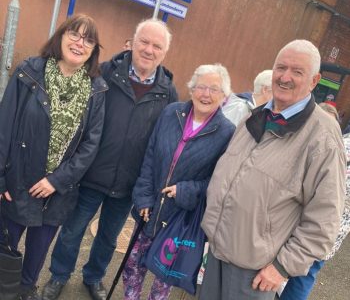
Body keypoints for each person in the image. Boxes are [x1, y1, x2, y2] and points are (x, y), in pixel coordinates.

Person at [42, 18, 178, 300]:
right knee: (72, 231)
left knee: (107, 237)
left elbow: (166, 142)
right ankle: (58, 275)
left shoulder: (168, 92)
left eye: (157, 46)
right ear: (132, 42)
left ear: (164, 53)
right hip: (90, 175)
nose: (149, 50)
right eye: (144, 42)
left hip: (128, 183)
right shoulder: (104, 73)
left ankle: (93, 277)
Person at [200, 39, 346, 300]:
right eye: (281, 68)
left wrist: (283, 267)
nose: (285, 77)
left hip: (256, 273)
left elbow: (325, 218)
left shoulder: (322, 137)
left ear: (314, 81)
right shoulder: (255, 116)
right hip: (218, 252)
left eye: (297, 72)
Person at [0, 14, 107, 300]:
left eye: (88, 39)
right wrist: (1, 180)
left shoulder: (96, 91)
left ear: (93, 50)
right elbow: (4, 127)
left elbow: (90, 146)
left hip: (57, 193)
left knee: (37, 256)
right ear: (60, 36)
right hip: (18, 182)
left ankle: (25, 291)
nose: (79, 43)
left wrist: (56, 181)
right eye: (74, 34)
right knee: (4, 250)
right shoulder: (28, 73)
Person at [122, 63, 235, 300]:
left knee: (164, 276)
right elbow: (150, 155)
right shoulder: (171, 113)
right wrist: (143, 197)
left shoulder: (227, 132)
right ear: (192, 89)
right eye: (201, 87)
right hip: (149, 207)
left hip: (180, 216)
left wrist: (185, 190)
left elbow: (218, 181)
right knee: (133, 264)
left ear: (224, 96)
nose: (206, 94)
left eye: (214, 89)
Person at [278, 102, 350, 300]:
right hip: (336, 229)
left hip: (312, 221)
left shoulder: (337, 144)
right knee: (306, 274)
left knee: (289, 266)